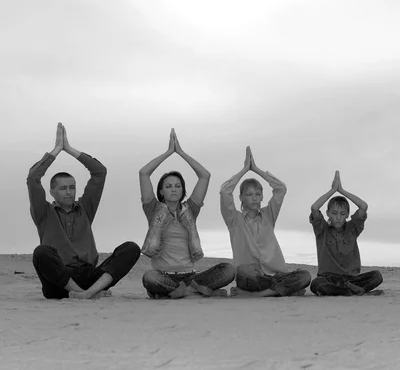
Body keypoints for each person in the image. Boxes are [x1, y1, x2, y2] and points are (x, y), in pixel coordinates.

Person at [27, 122, 141, 299]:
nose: (68, 192)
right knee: (41, 252)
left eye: (72, 187)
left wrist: (70, 149)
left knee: (131, 248)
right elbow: (33, 178)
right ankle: (86, 294)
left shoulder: (85, 208)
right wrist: (57, 150)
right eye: (63, 188)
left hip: (88, 275)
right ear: (52, 192)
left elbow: (99, 172)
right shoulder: (44, 212)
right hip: (60, 282)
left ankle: (88, 292)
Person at [140, 129, 235, 299]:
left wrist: (181, 153)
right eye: (168, 186)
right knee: (149, 277)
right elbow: (144, 173)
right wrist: (169, 152)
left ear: (183, 189)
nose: (173, 189)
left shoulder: (190, 210)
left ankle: (184, 290)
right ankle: (189, 291)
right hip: (164, 274)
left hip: (191, 277)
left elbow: (204, 176)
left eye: (177, 185)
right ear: (161, 192)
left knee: (228, 270)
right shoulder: (153, 209)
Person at [220, 147, 311, 297]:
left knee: (305, 275)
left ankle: (261, 294)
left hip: (275, 275)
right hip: (251, 277)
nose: (254, 198)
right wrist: (244, 170)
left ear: (262, 197)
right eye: (249, 194)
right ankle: (281, 290)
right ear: (241, 198)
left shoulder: (269, 215)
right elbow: (225, 192)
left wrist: (256, 169)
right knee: (243, 271)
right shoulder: (234, 220)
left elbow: (280, 188)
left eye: (258, 194)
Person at [309, 170, 383, 296]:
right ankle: (352, 291)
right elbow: (315, 208)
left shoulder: (352, 228)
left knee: (377, 276)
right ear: (327, 213)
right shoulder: (322, 229)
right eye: (334, 213)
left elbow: (363, 206)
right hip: (329, 278)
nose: (338, 217)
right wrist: (333, 190)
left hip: (352, 279)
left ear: (347, 215)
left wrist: (341, 190)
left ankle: (348, 289)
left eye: (342, 214)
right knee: (316, 284)